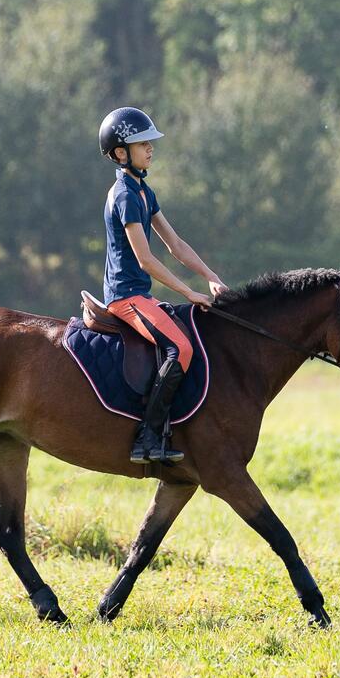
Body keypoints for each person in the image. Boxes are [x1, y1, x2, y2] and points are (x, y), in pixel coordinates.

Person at [97, 106, 228, 465]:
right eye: (142, 144)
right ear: (121, 153)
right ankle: (147, 438)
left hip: (142, 296)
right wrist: (189, 293)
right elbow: (146, 260)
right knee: (181, 349)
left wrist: (212, 278)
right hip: (125, 298)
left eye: (150, 142)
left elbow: (176, 246)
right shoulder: (123, 196)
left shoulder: (144, 192)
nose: (151, 148)